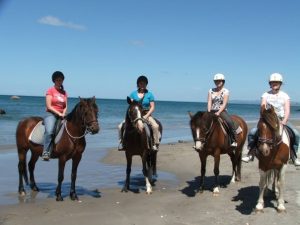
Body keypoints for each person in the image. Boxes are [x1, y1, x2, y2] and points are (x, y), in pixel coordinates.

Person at [242, 73, 300, 166]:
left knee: (296, 134)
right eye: (273, 82)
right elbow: (263, 107)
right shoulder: (265, 95)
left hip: (281, 119)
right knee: (253, 132)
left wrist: (284, 121)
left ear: (280, 84)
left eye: (277, 82)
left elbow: (287, 110)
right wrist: (264, 117)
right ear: (270, 83)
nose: (274, 84)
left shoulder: (285, 96)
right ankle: (250, 153)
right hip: (267, 120)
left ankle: (294, 156)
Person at [118, 75, 161, 151]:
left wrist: (146, 116)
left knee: (155, 126)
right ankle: (122, 143)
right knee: (120, 126)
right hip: (135, 115)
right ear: (138, 84)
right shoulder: (133, 94)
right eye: (141, 83)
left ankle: (155, 144)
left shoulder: (150, 95)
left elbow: (152, 107)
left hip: (146, 114)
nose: (142, 85)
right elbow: (131, 106)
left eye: (144, 84)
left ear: (146, 85)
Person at [42, 71, 68, 161]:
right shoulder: (50, 91)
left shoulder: (64, 92)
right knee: (49, 131)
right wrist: (58, 113)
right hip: (51, 114)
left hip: (62, 115)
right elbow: (48, 106)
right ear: (54, 81)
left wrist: (64, 113)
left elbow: (65, 106)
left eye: (61, 80)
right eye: (58, 80)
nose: (60, 82)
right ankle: (46, 152)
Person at [207, 73, 237, 147]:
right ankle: (201, 141)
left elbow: (224, 104)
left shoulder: (226, 91)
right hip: (212, 110)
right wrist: (208, 111)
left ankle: (234, 139)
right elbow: (209, 101)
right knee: (201, 122)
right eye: (216, 81)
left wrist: (218, 112)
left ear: (223, 82)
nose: (217, 82)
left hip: (221, 111)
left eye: (219, 81)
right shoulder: (211, 90)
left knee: (229, 122)